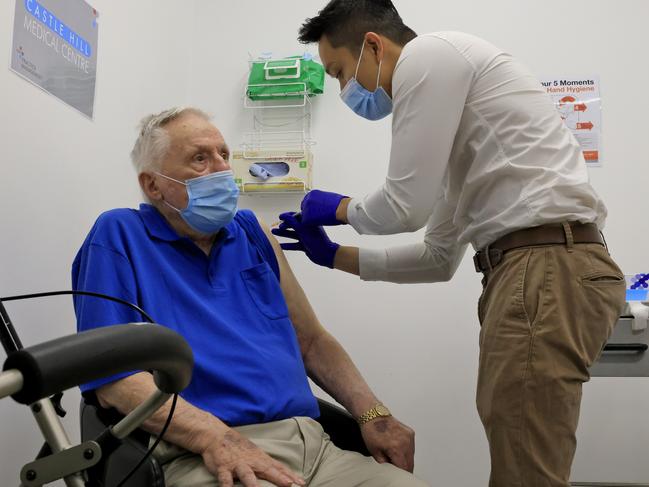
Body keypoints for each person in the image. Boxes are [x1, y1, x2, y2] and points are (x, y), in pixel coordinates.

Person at [272, 1, 627, 486]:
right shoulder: (463, 136)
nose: (344, 91)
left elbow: (403, 207)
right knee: (521, 446)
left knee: (525, 466)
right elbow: (437, 258)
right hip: (539, 267)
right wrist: (336, 257)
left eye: (339, 73)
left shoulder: (428, 56)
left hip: (544, 266)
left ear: (373, 46)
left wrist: (338, 208)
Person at [72, 107, 428, 487]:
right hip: (203, 452)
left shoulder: (251, 231)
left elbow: (312, 341)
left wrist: (373, 414)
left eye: (223, 154)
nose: (222, 168)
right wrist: (214, 437)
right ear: (153, 185)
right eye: (200, 158)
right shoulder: (119, 234)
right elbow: (113, 379)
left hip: (314, 445)